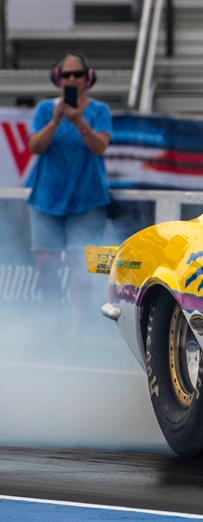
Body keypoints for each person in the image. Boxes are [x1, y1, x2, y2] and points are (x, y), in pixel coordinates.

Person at [26, 52, 112, 332]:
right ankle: (53, 325)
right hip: (46, 198)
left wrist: (78, 122)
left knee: (81, 268)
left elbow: (100, 147)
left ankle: (78, 330)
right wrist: (55, 121)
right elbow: (35, 146)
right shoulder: (45, 109)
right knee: (45, 265)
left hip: (87, 199)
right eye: (66, 75)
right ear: (58, 79)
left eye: (77, 74)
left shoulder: (99, 110)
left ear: (87, 78)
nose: (72, 79)